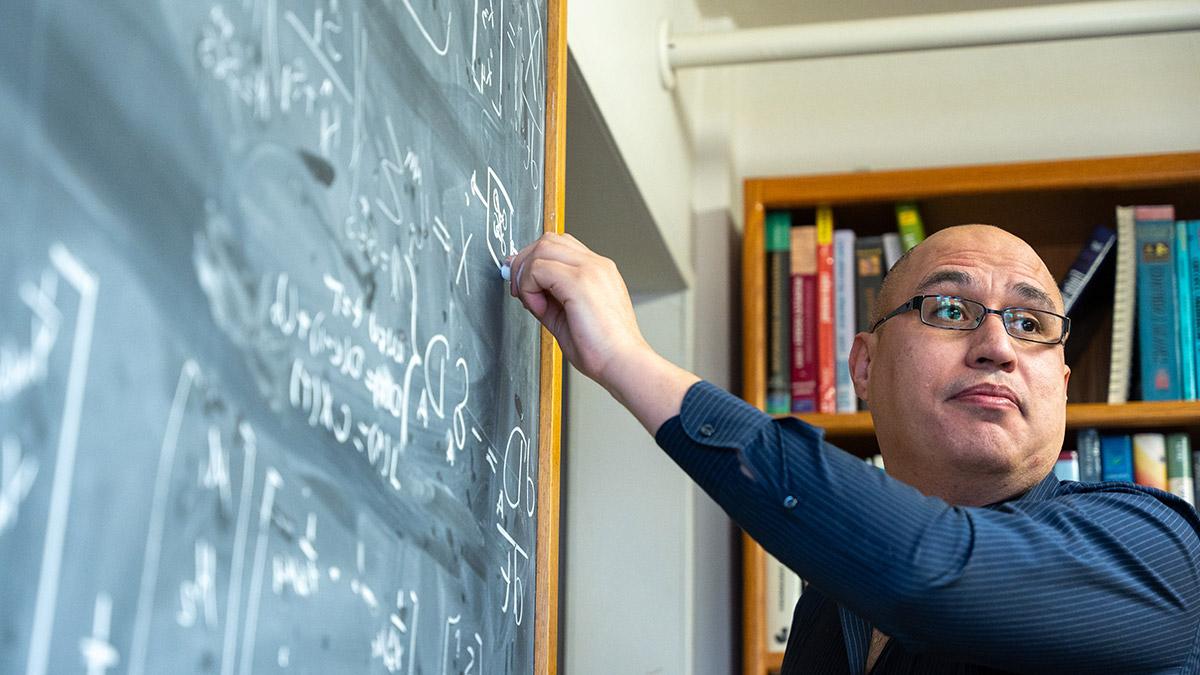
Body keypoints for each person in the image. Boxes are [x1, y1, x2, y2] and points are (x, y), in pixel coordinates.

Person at [507, 224, 1200, 673]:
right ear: (862, 366)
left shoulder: (1165, 551)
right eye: (949, 310)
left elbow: (928, 567)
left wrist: (627, 359)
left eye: (1029, 322)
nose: (997, 346)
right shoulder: (831, 607)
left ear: (1064, 381)